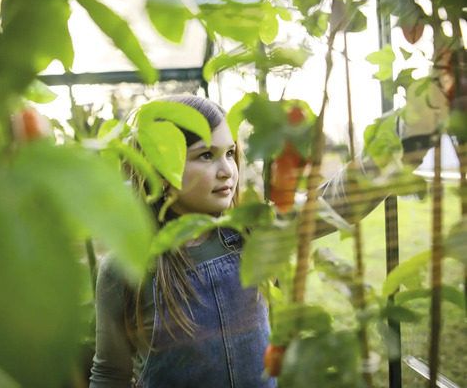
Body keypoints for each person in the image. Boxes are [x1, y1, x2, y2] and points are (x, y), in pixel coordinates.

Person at [89, 94, 433, 388]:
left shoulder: (251, 231)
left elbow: (338, 199)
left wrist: (415, 128)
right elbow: (110, 373)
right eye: (206, 155)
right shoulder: (124, 269)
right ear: (161, 172)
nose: (227, 170)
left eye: (230, 152)